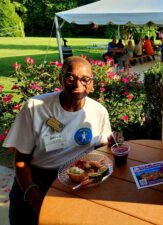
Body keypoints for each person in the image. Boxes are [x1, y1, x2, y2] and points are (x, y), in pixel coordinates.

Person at [3, 56, 112, 225]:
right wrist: (35, 199)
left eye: (85, 79)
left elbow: (102, 149)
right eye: (71, 78)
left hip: (76, 181)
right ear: (60, 79)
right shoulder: (35, 107)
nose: (78, 85)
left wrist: (112, 146)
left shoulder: (99, 111)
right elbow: (20, 161)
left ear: (91, 83)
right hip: (36, 180)